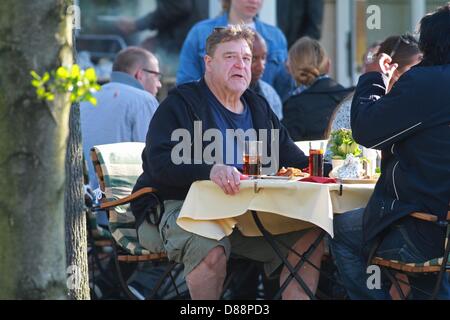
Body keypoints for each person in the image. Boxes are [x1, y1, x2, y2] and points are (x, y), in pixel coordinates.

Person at [132, 25, 325, 300]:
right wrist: (210, 170)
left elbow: (294, 159)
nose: (241, 65)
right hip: (180, 209)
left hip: (244, 213)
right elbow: (158, 164)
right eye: (230, 57)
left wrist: (336, 167)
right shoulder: (182, 104)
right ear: (208, 63)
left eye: (246, 58)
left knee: (309, 238)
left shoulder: (258, 107)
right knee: (210, 248)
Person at [330, 4, 450, 299]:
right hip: (437, 222)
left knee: (338, 230)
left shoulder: (429, 84)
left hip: (423, 226)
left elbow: (367, 131)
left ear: (429, 46)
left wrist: (372, 76)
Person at [176, 0, 295, 102]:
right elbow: (186, 85)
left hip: (263, 121)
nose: (253, 0)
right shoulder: (199, 33)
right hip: (211, 119)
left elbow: (285, 92)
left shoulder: (276, 37)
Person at [81, 46, 161, 192]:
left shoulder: (86, 99)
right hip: (123, 204)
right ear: (140, 75)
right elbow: (153, 162)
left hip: (84, 197)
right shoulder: (145, 100)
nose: (159, 84)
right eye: (156, 76)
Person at [282, 37, 350, 141]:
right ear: (328, 65)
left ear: (290, 68)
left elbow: (284, 150)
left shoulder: (294, 106)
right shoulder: (349, 97)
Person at [117, 0, 209, 56]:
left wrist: (137, 24)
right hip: (190, 40)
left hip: (182, 46)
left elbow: (178, 7)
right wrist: (158, 39)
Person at [250, 32, 283, 120]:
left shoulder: (270, 94)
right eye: (253, 58)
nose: (261, 66)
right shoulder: (217, 94)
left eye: (263, 57)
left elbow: (277, 131)